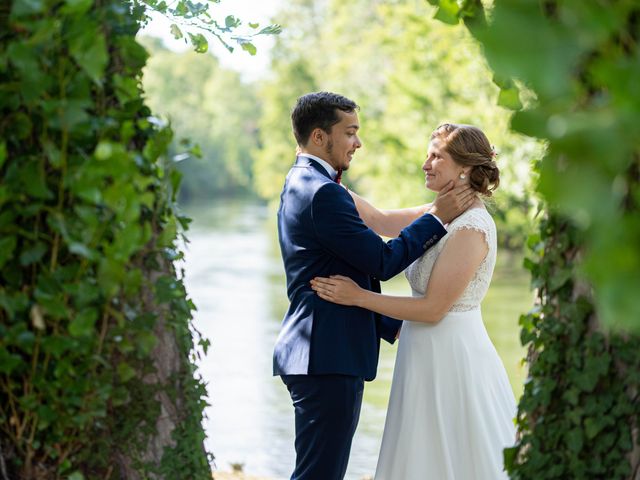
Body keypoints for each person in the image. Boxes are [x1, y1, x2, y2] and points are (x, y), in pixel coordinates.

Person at [273, 93, 475, 480]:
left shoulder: (304, 181)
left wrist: (446, 207)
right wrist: (437, 218)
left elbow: (365, 241)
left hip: (321, 354)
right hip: (326, 355)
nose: (358, 143)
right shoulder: (323, 192)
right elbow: (382, 263)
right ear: (319, 137)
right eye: (349, 133)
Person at [311, 123, 518, 480]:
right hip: (420, 350)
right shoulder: (439, 211)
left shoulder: (472, 227)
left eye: (437, 156)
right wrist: (321, 177)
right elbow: (377, 220)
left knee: (459, 453)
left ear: (465, 168)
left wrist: (359, 297)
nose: (426, 163)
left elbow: (433, 309)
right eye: (428, 154)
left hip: (452, 355)